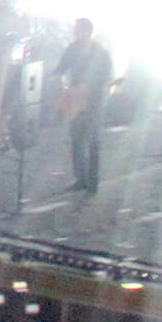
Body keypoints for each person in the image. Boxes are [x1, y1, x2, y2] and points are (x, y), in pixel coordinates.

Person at [51, 16, 115, 196]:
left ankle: (93, 182)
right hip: (75, 100)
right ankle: (81, 179)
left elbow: (107, 80)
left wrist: (95, 92)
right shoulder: (71, 49)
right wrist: (62, 86)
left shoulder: (102, 53)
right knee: (77, 140)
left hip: (94, 102)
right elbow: (60, 70)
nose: (74, 33)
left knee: (93, 141)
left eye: (78, 30)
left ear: (88, 32)